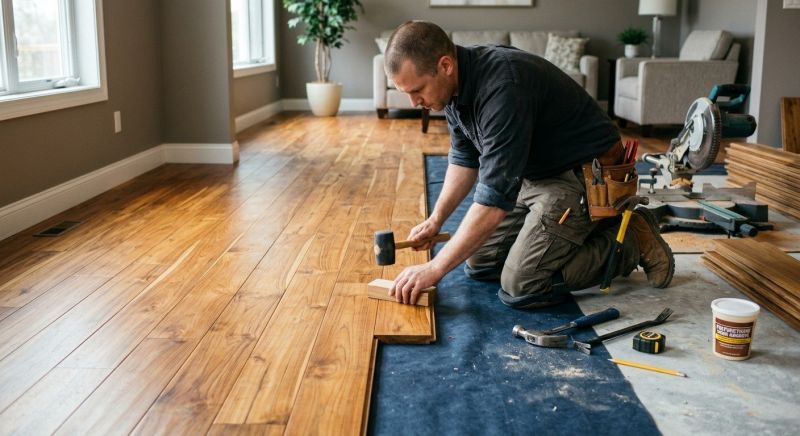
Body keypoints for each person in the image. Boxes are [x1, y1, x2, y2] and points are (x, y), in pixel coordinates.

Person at [384, 21, 674, 308]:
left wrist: (434, 268)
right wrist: (435, 220)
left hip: (583, 176)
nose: (413, 102)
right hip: (535, 173)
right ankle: (574, 234)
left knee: (522, 285)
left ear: (445, 65)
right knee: (480, 261)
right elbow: (464, 159)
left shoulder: (503, 87)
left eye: (417, 90)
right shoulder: (452, 87)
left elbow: (494, 200)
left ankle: (632, 239)